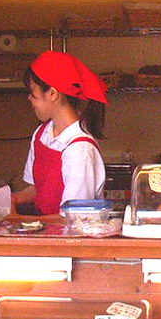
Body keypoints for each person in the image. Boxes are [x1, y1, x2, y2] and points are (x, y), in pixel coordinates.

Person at [12, 50, 108, 216]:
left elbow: (75, 217)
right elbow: (38, 189)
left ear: (52, 94)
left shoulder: (80, 150)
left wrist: (25, 222)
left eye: (33, 94)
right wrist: (11, 199)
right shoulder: (42, 134)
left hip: (68, 231)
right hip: (45, 228)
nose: (29, 99)